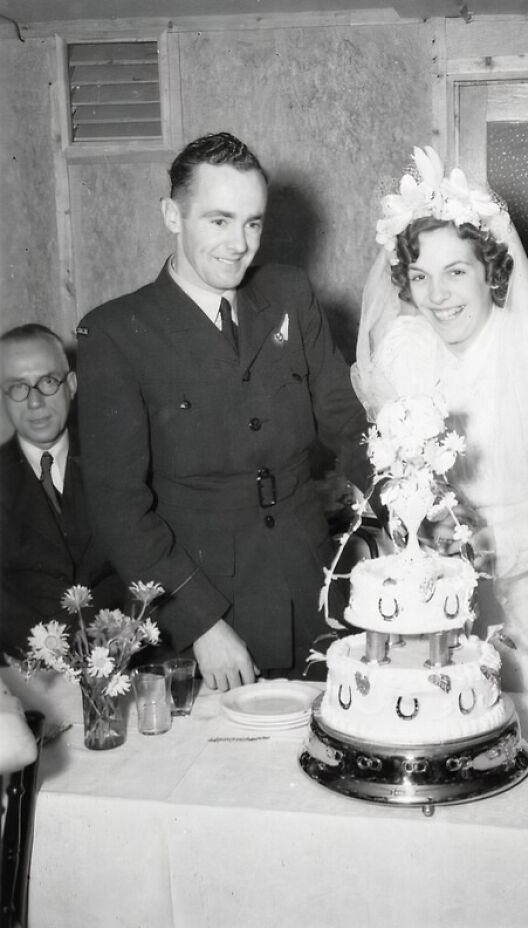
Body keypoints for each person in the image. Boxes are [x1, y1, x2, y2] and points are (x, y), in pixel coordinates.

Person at [76, 132, 372, 691]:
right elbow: (119, 509)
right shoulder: (116, 332)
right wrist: (202, 622)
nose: (239, 243)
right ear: (172, 215)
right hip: (200, 612)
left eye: (253, 222)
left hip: (308, 588)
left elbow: (345, 421)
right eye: (218, 221)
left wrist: (408, 508)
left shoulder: (289, 293)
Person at [352, 146, 528, 696]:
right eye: (419, 276)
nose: (437, 296)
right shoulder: (402, 351)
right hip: (435, 601)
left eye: (456, 271)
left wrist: (498, 540)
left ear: (492, 270)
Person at [0, 324, 124, 659]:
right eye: (17, 387)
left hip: (125, 658)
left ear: (71, 385)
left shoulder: (120, 458)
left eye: (48, 381)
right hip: (28, 679)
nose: (36, 401)